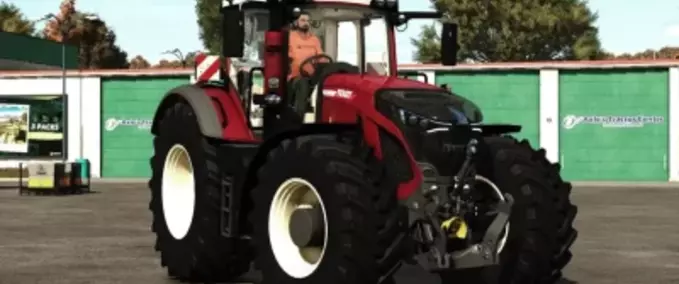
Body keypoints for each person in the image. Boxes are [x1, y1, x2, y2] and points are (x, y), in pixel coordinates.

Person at [288, 11, 324, 80]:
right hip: (295, 77)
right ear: (296, 22)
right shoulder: (290, 37)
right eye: (303, 20)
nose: (306, 23)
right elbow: (288, 58)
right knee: (303, 84)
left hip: (313, 77)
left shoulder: (314, 39)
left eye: (308, 21)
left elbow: (321, 57)